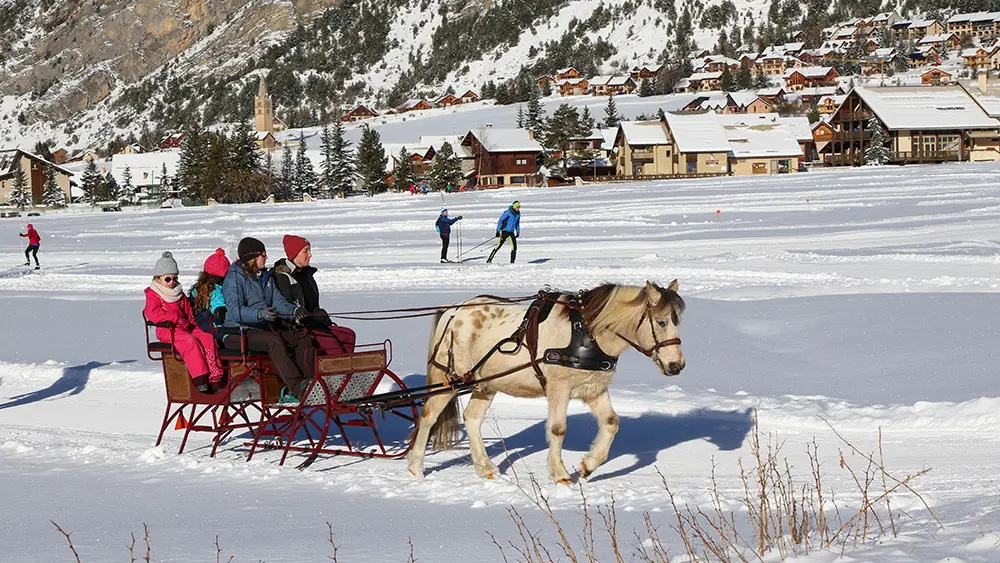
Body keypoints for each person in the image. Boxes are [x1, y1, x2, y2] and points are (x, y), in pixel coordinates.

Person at [222, 237, 316, 403]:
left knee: (301, 336)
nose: (266, 257)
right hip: (237, 332)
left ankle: (308, 382)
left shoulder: (265, 277)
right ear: (252, 257)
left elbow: (278, 302)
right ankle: (296, 387)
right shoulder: (234, 279)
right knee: (273, 341)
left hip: (261, 331)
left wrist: (293, 311)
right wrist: (260, 314)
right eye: (263, 254)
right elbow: (235, 311)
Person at [144, 251, 224, 394]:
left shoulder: (178, 294)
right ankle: (200, 378)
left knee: (207, 338)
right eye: (167, 279)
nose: (172, 282)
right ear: (158, 279)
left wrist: (193, 325)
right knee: (189, 341)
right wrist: (175, 318)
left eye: (175, 278)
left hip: (185, 326)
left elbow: (188, 313)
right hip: (168, 330)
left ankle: (215, 376)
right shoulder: (154, 294)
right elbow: (152, 313)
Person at [272, 235, 357, 355]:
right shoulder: (283, 277)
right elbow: (288, 310)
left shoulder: (306, 275)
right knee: (332, 344)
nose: (310, 255)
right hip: (297, 328)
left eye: (309, 250)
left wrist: (321, 316)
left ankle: (345, 370)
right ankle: (334, 371)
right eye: (305, 251)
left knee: (348, 335)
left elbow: (313, 305)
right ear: (294, 253)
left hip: (315, 323)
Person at [190, 248, 231, 334]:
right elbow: (221, 312)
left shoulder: (196, 289)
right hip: (218, 330)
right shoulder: (216, 291)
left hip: (202, 327)